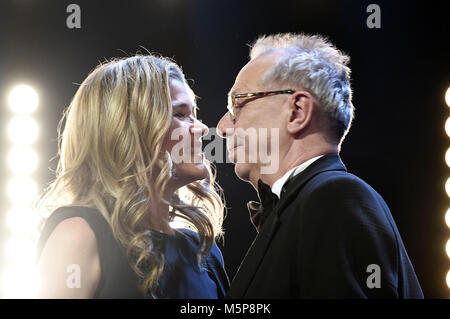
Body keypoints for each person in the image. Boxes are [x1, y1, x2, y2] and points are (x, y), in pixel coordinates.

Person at [217, 33, 423, 298]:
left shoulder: (334, 199)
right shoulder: (311, 203)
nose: (222, 127)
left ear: (297, 112)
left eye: (237, 103)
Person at [35, 55, 229, 298]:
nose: (200, 128)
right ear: (128, 131)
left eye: (194, 113)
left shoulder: (204, 252)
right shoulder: (79, 234)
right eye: (180, 114)